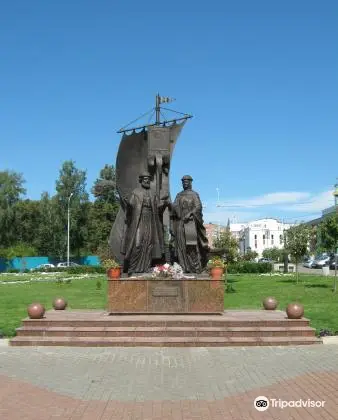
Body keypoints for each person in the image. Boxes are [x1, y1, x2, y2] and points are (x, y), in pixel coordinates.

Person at [121, 172, 167, 275]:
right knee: (137, 244)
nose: (147, 181)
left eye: (148, 179)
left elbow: (158, 208)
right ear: (141, 180)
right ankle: (132, 268)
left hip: (150, 220)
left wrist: (163, 204)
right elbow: (130, 208)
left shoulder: (152, 193)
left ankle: (146, 268)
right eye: (145, 179)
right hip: (139, 220)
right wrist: (126, 203)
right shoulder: (136, 193)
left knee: (149, 244)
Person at [170, 175, 209, 273]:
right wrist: (172, 206)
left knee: (191, 246)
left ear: (191, 182)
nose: (185, 183)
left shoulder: (194, 194)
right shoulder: (179, 195)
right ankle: (183, 267)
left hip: (191, 223)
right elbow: (174, 207)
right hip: (180, 223)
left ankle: (195, 267)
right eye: (183, 182)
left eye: (187, 182)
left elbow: (198, 207)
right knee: (181, 246)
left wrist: (190, 213)